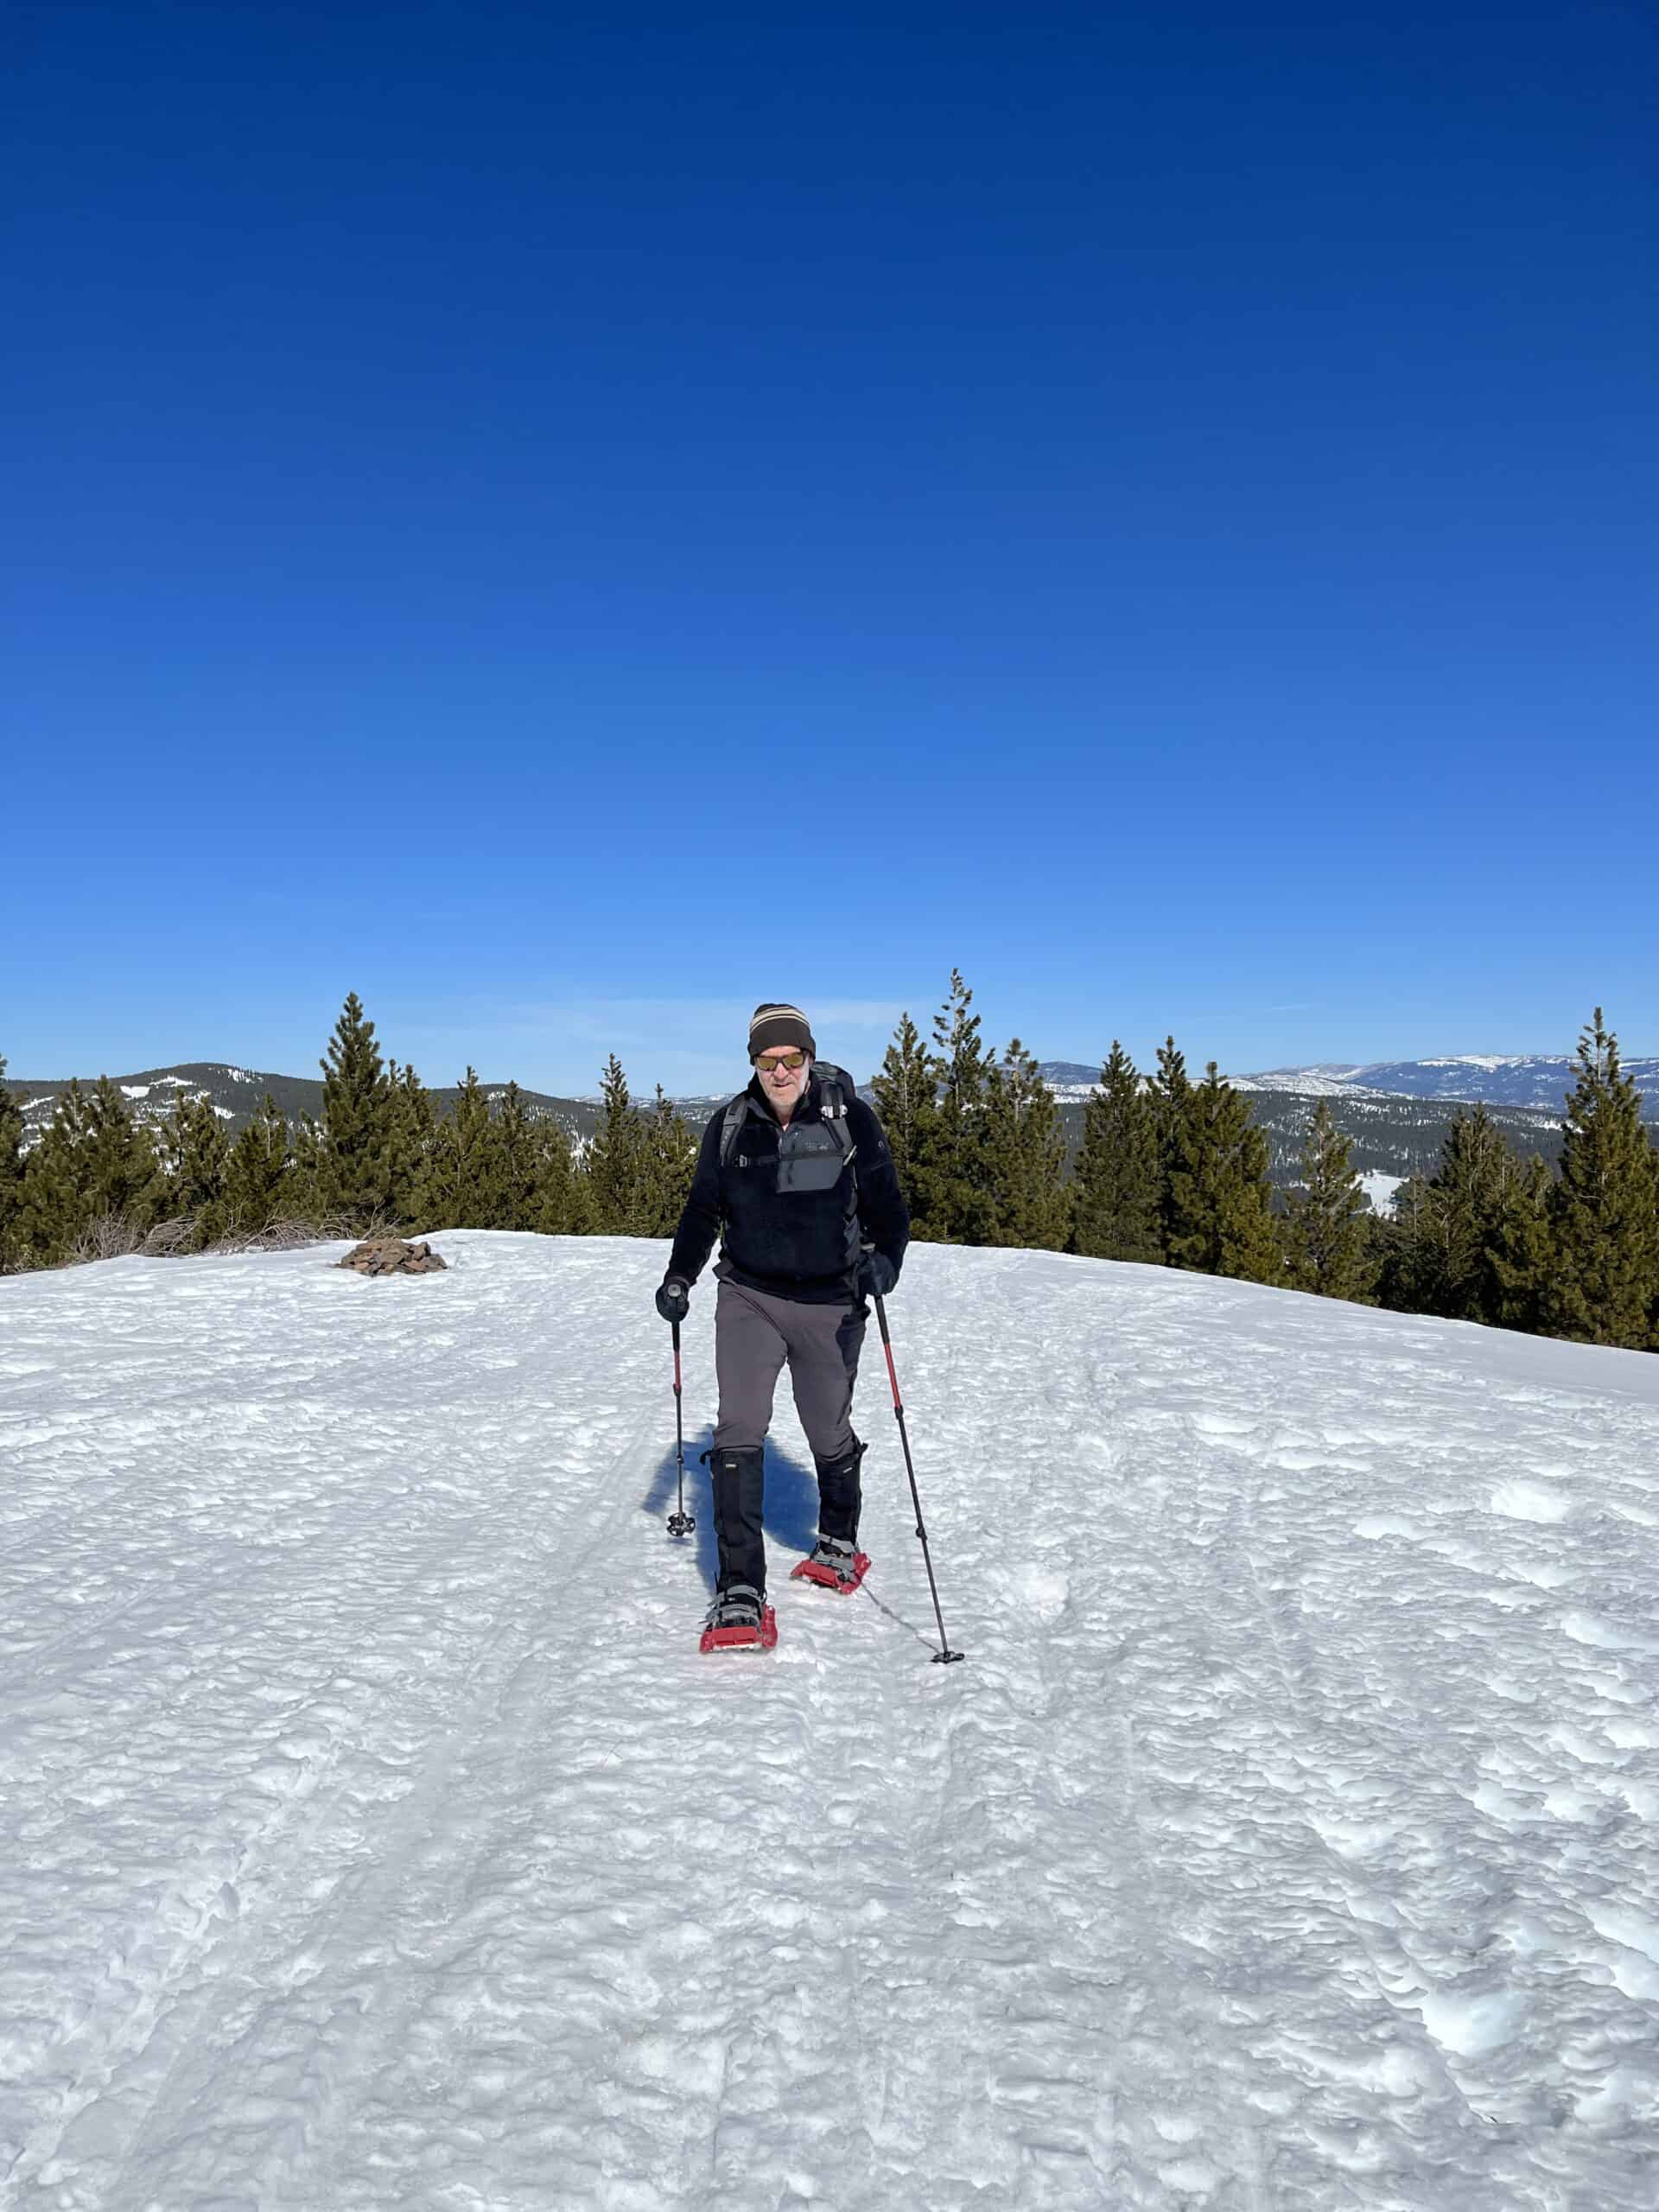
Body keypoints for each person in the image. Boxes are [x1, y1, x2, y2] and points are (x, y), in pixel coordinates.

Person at [656, 1002, 910, 1644]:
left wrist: (887, 1263)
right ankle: (740, 1587)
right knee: (741, 1421)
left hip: (831, 1300)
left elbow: (888, 1205)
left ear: (808, 1057)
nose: (780, 1071)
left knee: (826, 1425)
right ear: (753, 1064)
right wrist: (680, 1274)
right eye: (767, 1061)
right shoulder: (731, 1126)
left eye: (791, 1059)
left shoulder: (849, 1118)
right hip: (749, 1295)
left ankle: (837, 1540)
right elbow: (700, 1212)